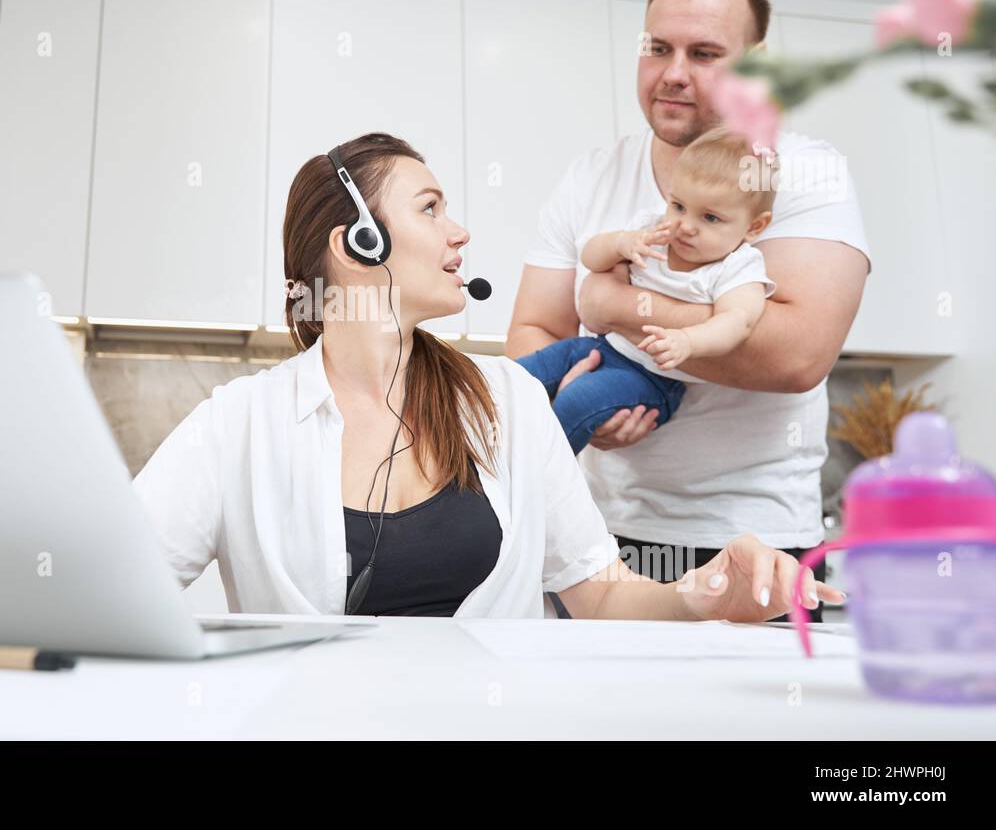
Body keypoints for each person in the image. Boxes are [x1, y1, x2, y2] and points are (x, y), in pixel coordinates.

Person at [132, 132, 844, 621]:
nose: (460, 232)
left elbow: (597, 593)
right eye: (431, 209)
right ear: (358, 243)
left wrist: (708, 591)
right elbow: (117, 585)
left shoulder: (509, 399)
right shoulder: (240, 422)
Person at [506, 0, 872, 620]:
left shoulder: (805, 174)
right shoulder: (591, 176)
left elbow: (795, 356)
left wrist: (614, 306)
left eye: (704, 53)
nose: (673, 72)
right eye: (657, 48)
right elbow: (533, 331)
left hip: (754, 545)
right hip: (594, 546)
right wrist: (573, 398)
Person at [515, 127, 777, 453]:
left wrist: (688, 340)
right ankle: (478, 458)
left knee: (577, 401)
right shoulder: (654, 230)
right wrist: (620, 243)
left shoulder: (737, 267)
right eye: (679, 206)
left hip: (654, 380)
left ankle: (532, 484)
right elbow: (591, 257)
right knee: (519, 376)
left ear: (754, 227)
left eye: (710, 217)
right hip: (604, 347)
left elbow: (738, 321)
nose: (686, 226)